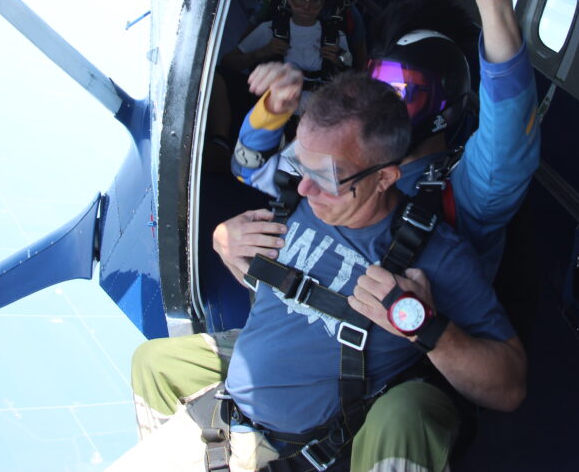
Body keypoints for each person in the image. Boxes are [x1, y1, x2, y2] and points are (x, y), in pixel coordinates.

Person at [124, 73, 525, 472]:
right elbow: (246, 165)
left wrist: (427, 328)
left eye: (327, 177)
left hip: (321, 447)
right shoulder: (293, 193)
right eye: (300, 162)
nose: (304, 189)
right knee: (152, 360)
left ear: (383, 177)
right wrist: (221, 237)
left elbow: (508, 388)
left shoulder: (439, 257)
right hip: (227, 421)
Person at [231, 0, 540, 279]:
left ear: (448, 109)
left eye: (405, 91)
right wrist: (272, 110)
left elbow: (507, 140)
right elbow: (249, 169)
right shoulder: (344, 150)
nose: (383, 103)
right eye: (379, 83)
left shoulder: (468, 193)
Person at [222, 0, 352, 84]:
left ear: (322, 4)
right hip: (275, 104)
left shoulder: (335, 36)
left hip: (319, 106)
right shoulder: (269, 29)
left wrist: (341, 59)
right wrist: (261, 52)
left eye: (315, 0)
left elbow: (352, 70)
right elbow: (227, 63)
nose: (307, 6)